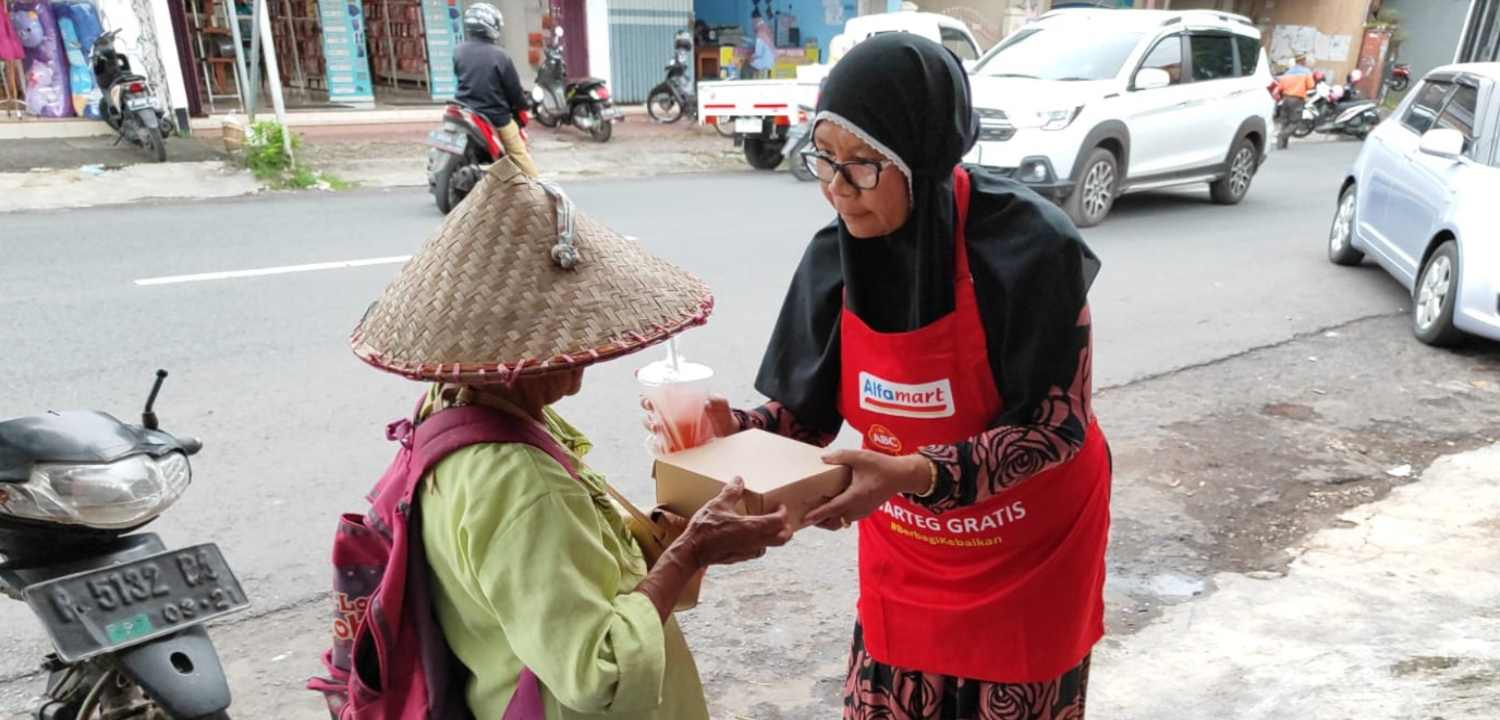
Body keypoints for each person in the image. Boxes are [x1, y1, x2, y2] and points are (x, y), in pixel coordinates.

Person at [673, 34, 1112, 718]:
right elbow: (802, 418)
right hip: (909, 547)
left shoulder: (1028, 250)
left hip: (1031, 549)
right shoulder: (833, 260)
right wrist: (732, 433)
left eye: (864, 165)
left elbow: (1054, 429)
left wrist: (911, 473)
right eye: (825, 157)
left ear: (923, 156)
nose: (837, 189)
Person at [351, 158, 792, 719]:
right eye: (571, 340)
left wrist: (679, 534)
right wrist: (691, 551)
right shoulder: (522, 482)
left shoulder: (454, 407)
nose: (588, 357)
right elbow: (597, 672)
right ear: (510, 358)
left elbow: (581, 567)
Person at [454, 3, 540, 177]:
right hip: (494, 115)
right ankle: (537, 188)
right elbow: (513, 90)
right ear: (490, 26)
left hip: (464, 108)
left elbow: (461, 75)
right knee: (519, 152)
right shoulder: (500, 55)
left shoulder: (458, 50)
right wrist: (523, 104)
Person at [1275, 63, 1317, 149]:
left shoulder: (1288, 72)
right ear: (1304, 61)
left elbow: (1280, 87)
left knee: (1285, 122)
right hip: (1297, 100)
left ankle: (1282, 145)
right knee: (1295, 122)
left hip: (1285, 99)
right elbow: (1311, 85)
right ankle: (1282, 135)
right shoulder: (1306, 72)